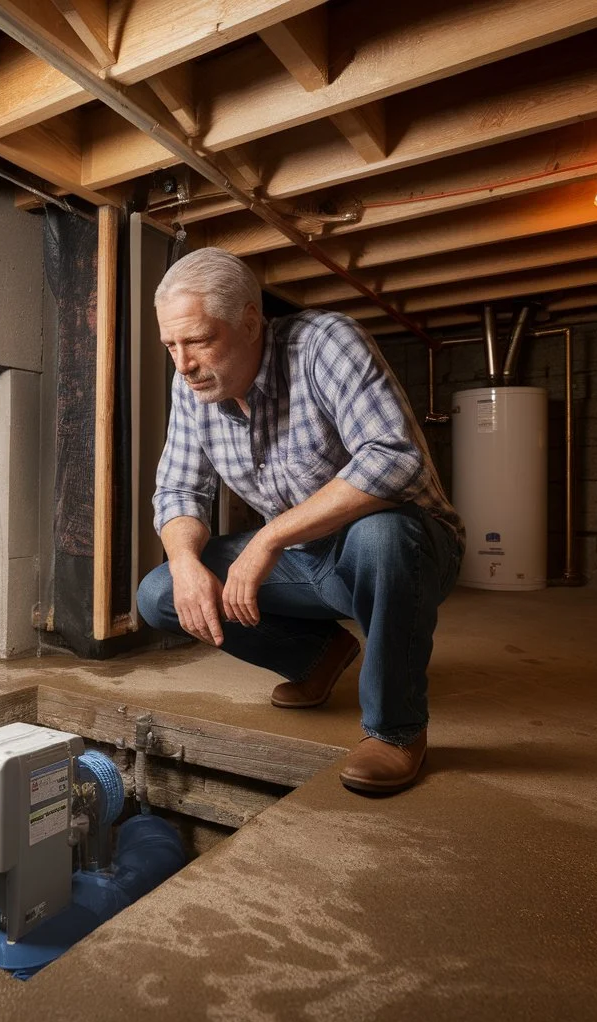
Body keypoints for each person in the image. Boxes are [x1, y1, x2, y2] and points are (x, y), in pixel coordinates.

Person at [136, 248, 464, 794]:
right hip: (306, 560)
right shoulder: (191, 385)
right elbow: (177, 489)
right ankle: (317, 656)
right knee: (161, 592)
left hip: (406, 548)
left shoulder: (325, 344)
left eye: (197, 340)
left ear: (249, 321)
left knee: (382, 535)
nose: (183, 363)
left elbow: (394, 458)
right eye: (170, 345)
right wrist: (186, 561)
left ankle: (396, 731)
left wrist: (270, 537)